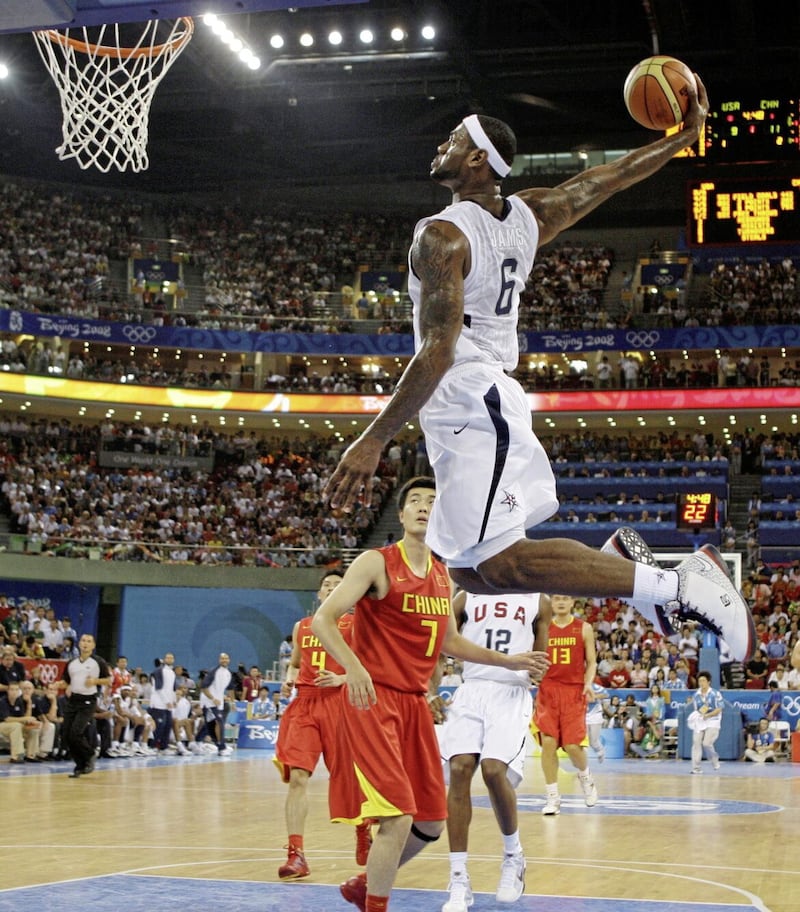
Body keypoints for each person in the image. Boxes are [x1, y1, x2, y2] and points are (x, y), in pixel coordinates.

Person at [322, 93, 754, 669]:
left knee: (508, 564)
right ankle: (635, 572)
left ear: (478, 159)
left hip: (470, 393)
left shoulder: (442, 236)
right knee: (474, 576)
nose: (439, 145)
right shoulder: (530, 215)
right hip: (469, 398)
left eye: (452, 138)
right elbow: (610, 178)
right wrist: (681, 138)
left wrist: (375, 437)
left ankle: (683, 586)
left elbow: (438, 348)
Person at [312, 476, 548, 912]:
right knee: (398, 816)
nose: (423, 507)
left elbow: (451, 644)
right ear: (401, 515)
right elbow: (323, 620)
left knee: (431, 822)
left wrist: (510, 660)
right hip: (374, 700)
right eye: (415, 501)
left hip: (414, 705)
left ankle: (370, 884)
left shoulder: (442, 577)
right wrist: (355, 668)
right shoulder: (375, 562)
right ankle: (376, 902)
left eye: (432, 502)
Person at [439, 590, 549, 912]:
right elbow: (442, 638)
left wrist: (537, 670)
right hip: (471, 690)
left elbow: (539, 664)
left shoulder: (537, 600)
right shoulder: (464, 597)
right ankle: (458, 879)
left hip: (510, 692)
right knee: (459, 770)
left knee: (492, 770)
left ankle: (513, 856)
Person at [273, 570, 372, 881]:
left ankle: (363, 827)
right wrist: (288, 680)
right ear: (318, 594)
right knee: (298, 777)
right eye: (326, 585)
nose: (331, 587)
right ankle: (296, 855)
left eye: (338, 585)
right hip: (305, 704)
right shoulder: (302, 627)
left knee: (349, 778)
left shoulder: (359, 625)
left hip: (342, 703)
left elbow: (374, 667)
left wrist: (343, 678)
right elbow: (294, 664)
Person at [534, 593, 599, 816]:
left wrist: (588, 683)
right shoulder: (542, 628)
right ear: (551, 603)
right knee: (548, 743)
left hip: (574, 690)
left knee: (573, 746)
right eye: (557, 599)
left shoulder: (583, 628)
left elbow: (591, 662)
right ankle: (552, 797)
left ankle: (586, 778)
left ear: (573, 602)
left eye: (565, 598)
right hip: (548, 690)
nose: (561, 602)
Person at [59, 633, 111, 778]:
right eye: (83, 640)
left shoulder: (98, 662)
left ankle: (89, 755)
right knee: (67, 734)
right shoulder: (72, 663)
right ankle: (80, 765)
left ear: (93, 645)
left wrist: (95, 681)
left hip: (88, 701)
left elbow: (108, 680)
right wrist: (58, 684)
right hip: (73, 700)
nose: (85, 643)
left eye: (89, 641)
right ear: (79, 644)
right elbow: (66, 681)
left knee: (76, 732)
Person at [688, 670, 724, 774]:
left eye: (703, 681)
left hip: (713, 720)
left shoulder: (715, 694)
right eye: (700, 681)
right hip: (701, 720)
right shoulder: (696, 695)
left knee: (706, 743)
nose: (701, 683)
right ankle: (696, 768)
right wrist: (696, 718)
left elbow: (719, 709)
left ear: (709, 682)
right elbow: (697, 710)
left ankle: (714, 759)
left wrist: (708, 715)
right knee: (696, 742)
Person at [199, 653, 233, 755]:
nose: (224, 660)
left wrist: (232, 700)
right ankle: (221, 747)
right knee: (219, 722)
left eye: (226, 658)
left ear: (229, 660)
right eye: (222, 658)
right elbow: (203, 687)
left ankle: (196, 741)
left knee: (210, 725)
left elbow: (230, 689)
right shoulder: (214, 672)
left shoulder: (228, 673)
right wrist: (213, 698)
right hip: (209, 702)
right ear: (219, 660)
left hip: (219, 702)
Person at [0, 681, 42, 763]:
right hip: (2, 725)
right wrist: (24, 719)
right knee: (16, 725)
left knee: (33, 728)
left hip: (15, 726)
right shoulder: (2, 701)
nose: (14, 692)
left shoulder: (19, 701)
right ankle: (16, 756)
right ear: (8, 691)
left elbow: (23, 718)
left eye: (16, 690)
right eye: (12, 689)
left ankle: (31, 755)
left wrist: (30, 721)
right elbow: (7, 719)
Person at [149, 652, 177, 752]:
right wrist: (166, 701)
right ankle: (153, 746)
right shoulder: (159, 671)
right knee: (159, 725)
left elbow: (173, 689)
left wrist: (173, 700)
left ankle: (164, 747)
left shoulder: (172, 672)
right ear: (164, 659)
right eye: (168, 658)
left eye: (171, 658)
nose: (169, 659)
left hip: (168, 705)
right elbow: (159, 688)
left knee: (168, 725)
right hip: (158, 704)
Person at [585, 680, 608, 763]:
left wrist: (594, 697)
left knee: (594, 741)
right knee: (584, 739)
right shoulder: (577, 687)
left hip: (595, 715)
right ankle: (583, 760)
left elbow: (606, 694)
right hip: (584, 716)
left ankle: (600, 752)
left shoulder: (595, 686)